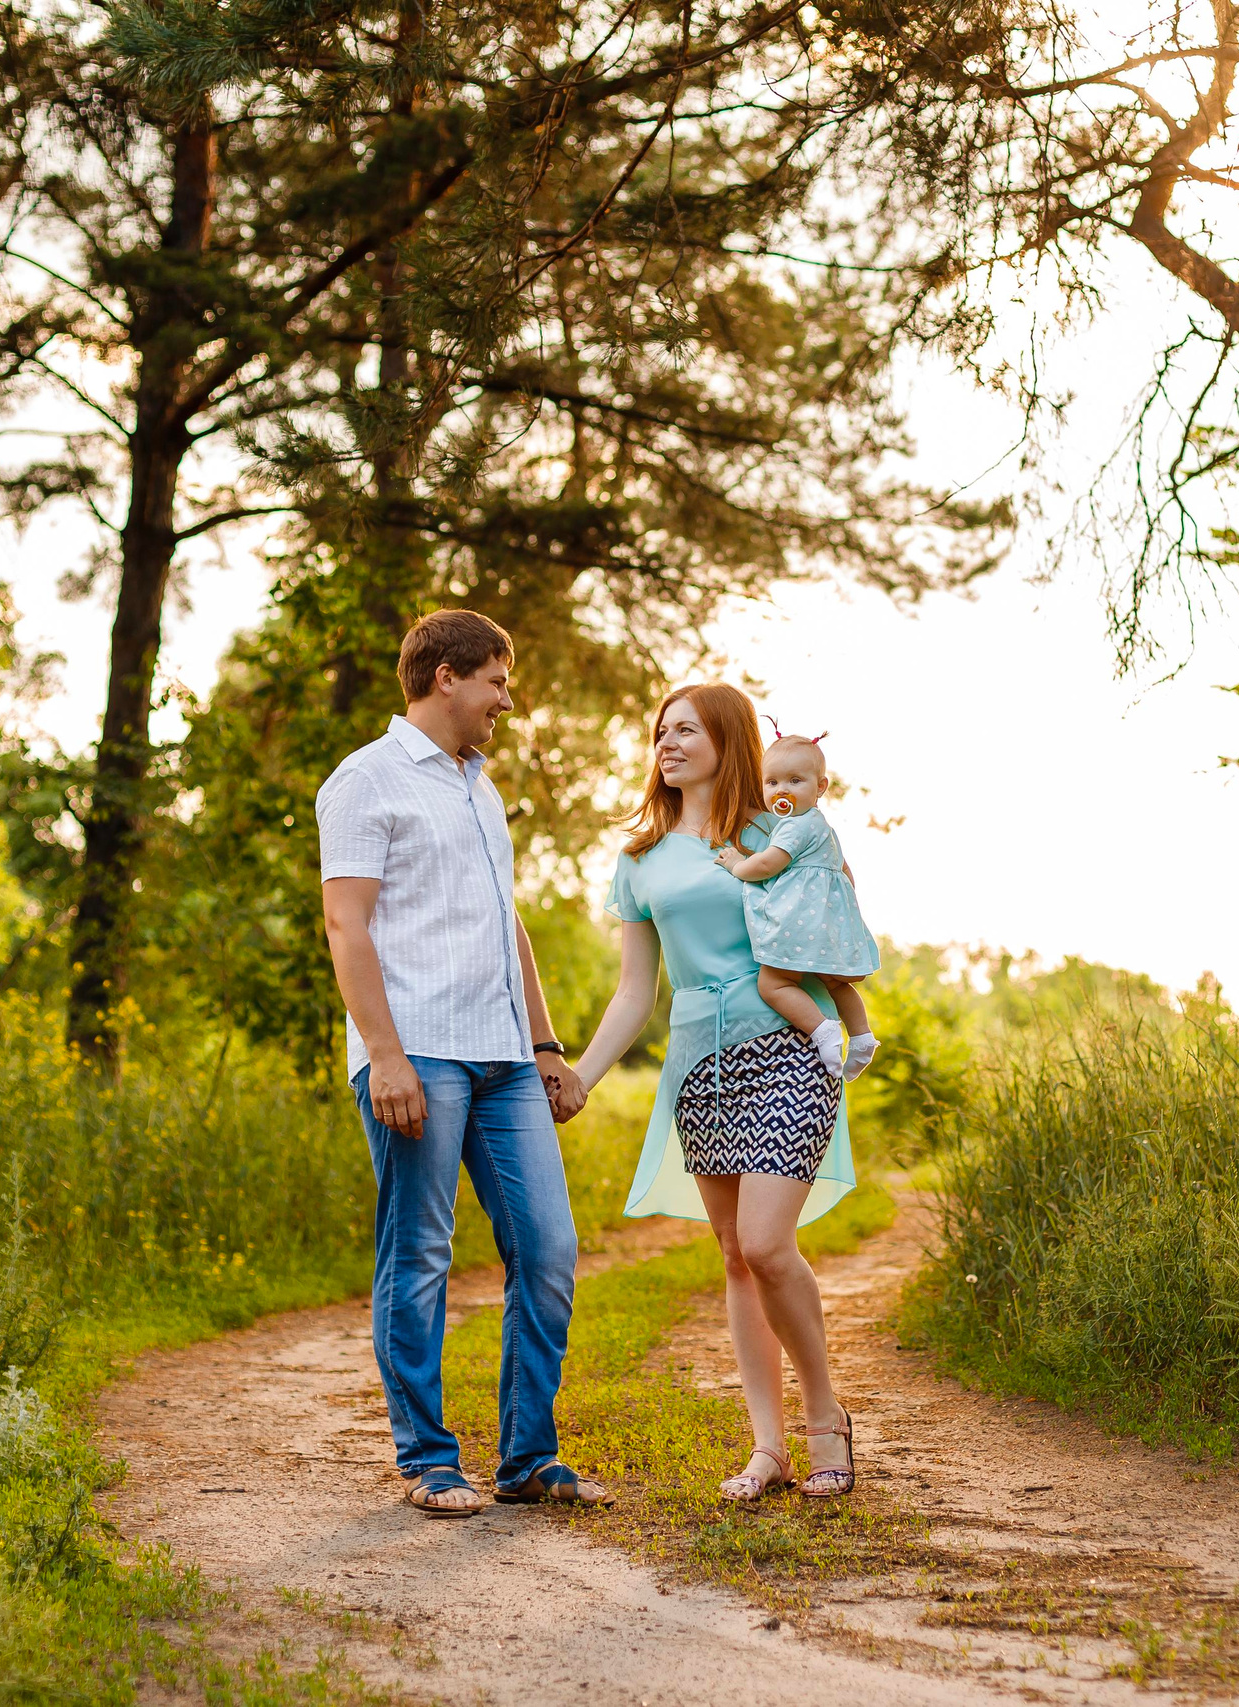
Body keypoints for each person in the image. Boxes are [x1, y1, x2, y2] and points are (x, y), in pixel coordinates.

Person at [316, 609, 612, 1518]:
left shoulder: (480, 786)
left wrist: (546, 1042)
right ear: (445, 675)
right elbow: (346, 923)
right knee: (420, 1252)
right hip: (419, 1054)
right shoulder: (365, 781)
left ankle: (527, 1457)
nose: (506, 700)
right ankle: (430, 1460)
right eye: (496, 679)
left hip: (503, 1057)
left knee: (550, 1248)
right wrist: (386, 1055)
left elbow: (504, 920)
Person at [570, 684, 860, 1503]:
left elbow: (834, 934)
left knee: (769, 1244)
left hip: (789, 1049)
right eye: (659, 730)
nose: (666, 742)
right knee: (734, 1255)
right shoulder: (640, 859)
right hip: (700, 1062)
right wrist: (582, 1079)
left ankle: (827, 1418)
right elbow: (635, 993)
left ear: (727, 739)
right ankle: (767, 1449)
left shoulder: (785, 832)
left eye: (685, 729)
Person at [713, 727, 882, 1079]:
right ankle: (863, 1036)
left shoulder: (793, 826)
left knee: (772, 983)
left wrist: (735, 865)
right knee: (836, 982)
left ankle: (823, 1030)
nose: (782, 791)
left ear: (820, 787)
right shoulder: (823, 826)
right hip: (828, 922)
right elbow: (846, 872)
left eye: (794, 781)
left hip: (799, 922)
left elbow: (766, 864)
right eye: (772, 783)